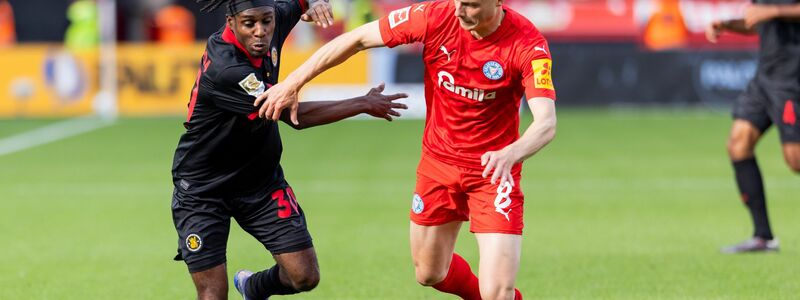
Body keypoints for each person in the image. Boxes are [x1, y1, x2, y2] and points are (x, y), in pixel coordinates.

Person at [256, 0, 558, 298]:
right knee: (429, 272)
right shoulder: (434, 16)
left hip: (494, 173)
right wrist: (293, 83)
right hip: (438, 164)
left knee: (497, 292)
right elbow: (357, 38)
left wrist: (511, 153)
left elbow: (546, 123)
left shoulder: (527, 43)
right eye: (457, 1)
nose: (459, 10)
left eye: (470, 5)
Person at [171, 0, 407, 299]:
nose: (261, 32)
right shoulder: (226, 69)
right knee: (213, 294)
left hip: (260, 182)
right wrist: (362, 103)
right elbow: (295, 117)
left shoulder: (273, 19)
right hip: (203, 190)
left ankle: (253, 287)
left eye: (266, 21)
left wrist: (317, 3)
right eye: (249, 24)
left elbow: (297, 4)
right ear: (231, 22)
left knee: (305, 276)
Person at [706, 1, 800, 253]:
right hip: (765, 79)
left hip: (793, 78)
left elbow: (773, 14)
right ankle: (763, 237)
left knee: (796, 161)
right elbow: (758, 23)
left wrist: (775, 11)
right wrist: (727, 24)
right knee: (738, 144)